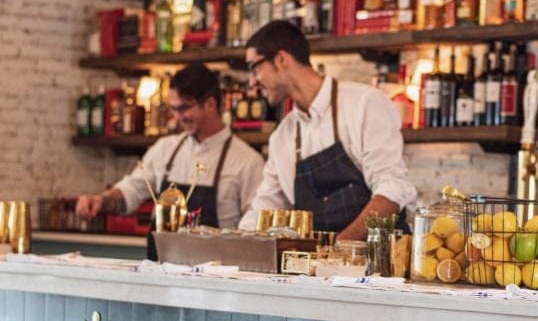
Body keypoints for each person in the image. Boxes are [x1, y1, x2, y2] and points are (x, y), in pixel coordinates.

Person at [237, 20, 417, 239]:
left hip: (381, 257)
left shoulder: (364, 104)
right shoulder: (283, 136)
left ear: (282, 59)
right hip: (319, 260)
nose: (252, 82)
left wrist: (340, 247)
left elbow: (392, 189)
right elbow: (266, 206)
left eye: (254, 68)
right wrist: (234, 242)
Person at [76, 63, 264, 259]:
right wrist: (100, 201)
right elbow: (131, 190)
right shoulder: (165, 149)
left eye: (183, 108)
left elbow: (254, 231)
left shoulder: (247, 162)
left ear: (210, 104)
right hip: (159, 271)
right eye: (174, 109)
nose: (177, 117)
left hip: (215, 274)